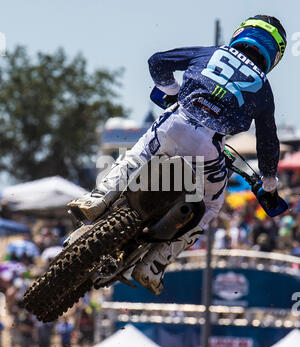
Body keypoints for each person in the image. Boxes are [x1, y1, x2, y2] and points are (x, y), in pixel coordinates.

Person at [68, 15, 286, 295]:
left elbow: (157, 62)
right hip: (208, 148)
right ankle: (154, 263)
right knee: (211, 206)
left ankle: (99, 197)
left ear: (242, 33)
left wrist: (173, 92)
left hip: (176, 125)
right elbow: (268, 141)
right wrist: (269, 183)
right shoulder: (263, 86)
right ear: (274, 53)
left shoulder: (212, 53)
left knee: (136, 156)